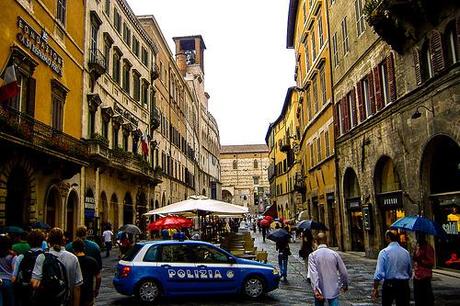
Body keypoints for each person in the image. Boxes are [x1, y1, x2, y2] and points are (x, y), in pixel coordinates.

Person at [31, 227, 83, 306]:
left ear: (48, 241)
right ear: (63, 240)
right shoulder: (73, 258)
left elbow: (34, 284)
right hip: (66, 301)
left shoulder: (42, 257)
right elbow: (77, 287)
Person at [372, 230, 412, 306]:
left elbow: (379, 273)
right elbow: (409, 271)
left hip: (389, 284)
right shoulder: (405, 252)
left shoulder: (384, 252)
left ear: (388, 237)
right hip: (404, 285)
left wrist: (375, 288)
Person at [308, 232, 348, 306]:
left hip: (319, 289)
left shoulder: (312, 256)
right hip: (332, 288)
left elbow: (313, 274)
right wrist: (344, 284)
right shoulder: (334, 254)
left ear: (316, 242)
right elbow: (343, 272)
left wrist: (316, 289)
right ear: (327, 241)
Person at [12, 229, 46, 306]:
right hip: (41, 294)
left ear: (29, 242)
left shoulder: (21, 257)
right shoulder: (46, 257)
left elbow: (14, 278)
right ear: (42, 242)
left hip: (25, 294)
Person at [71, 239, 101, 306]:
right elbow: (98, 277)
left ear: (73, 249)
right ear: (84, 248)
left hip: (74, 293)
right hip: (88, 294)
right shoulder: (92, 261)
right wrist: (96, 289)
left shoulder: (72, 261)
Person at [413, 233, 434, 306]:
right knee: (418, 298)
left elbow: (431, 263)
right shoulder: (417, 247)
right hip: (417, 276)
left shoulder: (428, 248)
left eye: (419, 236)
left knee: (427, 299)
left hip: (425, 277)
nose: (417, 238)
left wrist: (421, 261)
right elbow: (415, 259)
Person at [0, 235, 16, 306]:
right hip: (9, 280)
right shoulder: (12, 256)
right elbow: (14, 270)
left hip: (0, 279)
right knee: (10, 302)